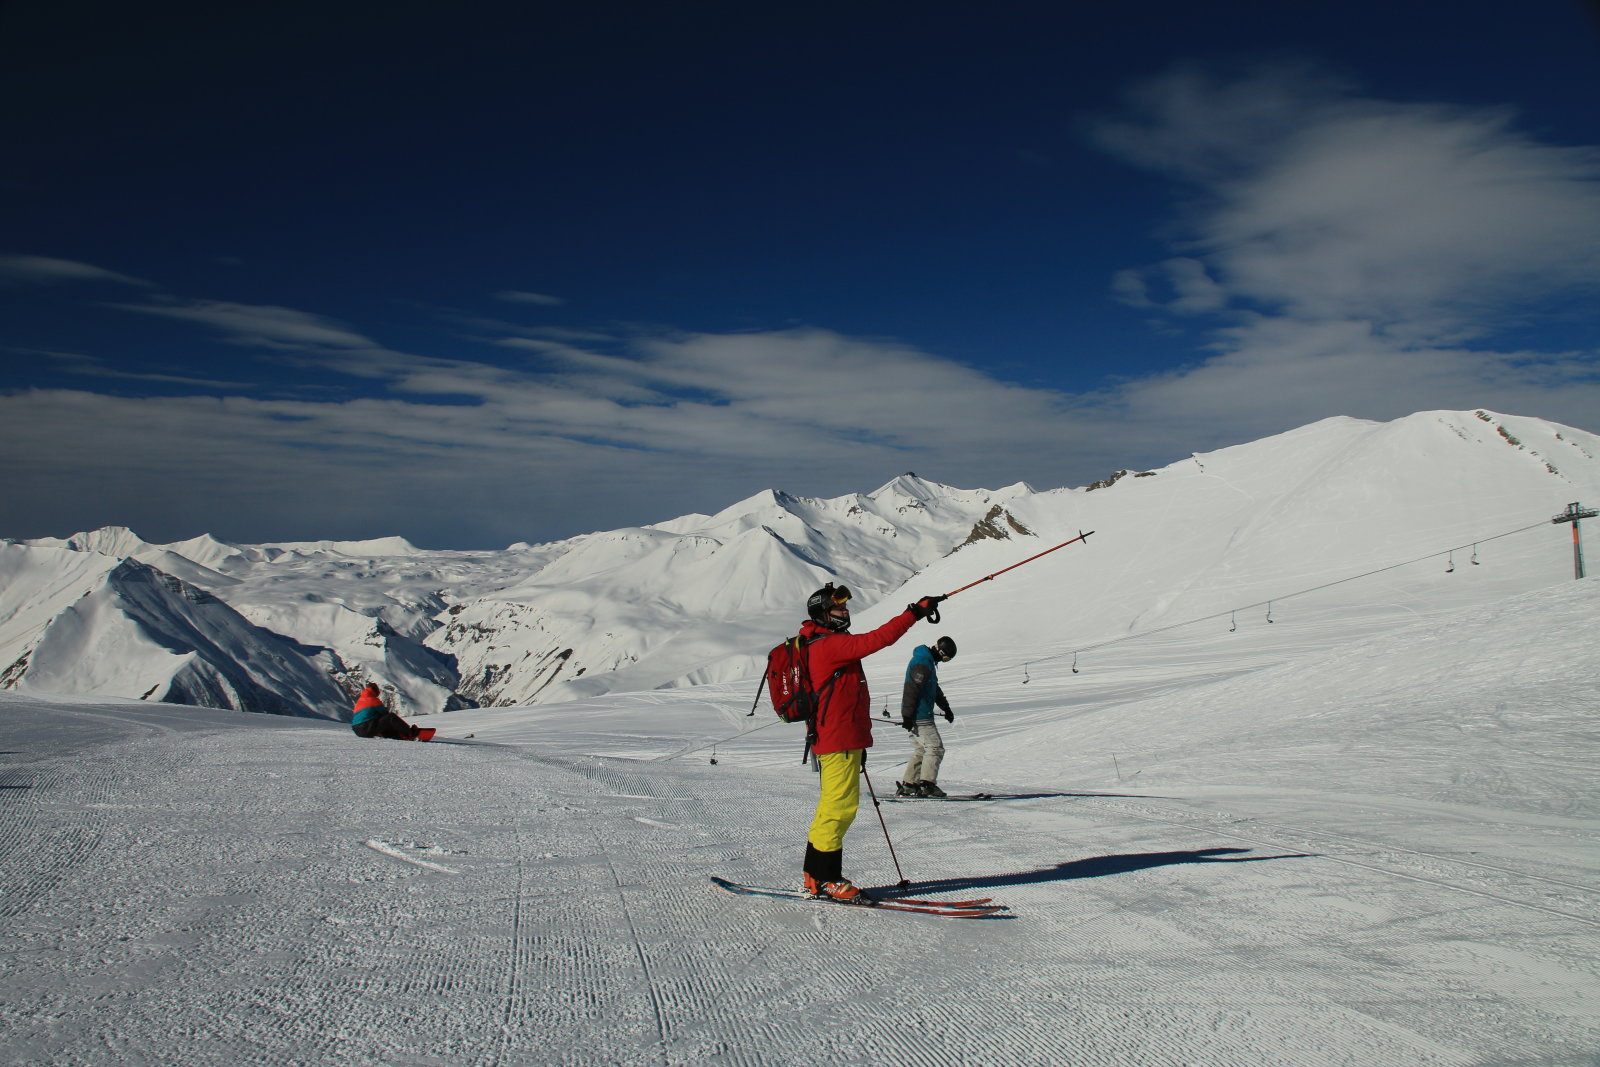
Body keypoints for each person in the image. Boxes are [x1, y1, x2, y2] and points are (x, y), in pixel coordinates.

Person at [798, 582, 945, 902]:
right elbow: (880, 638)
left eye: (845, 607)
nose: (846, 611)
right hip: (838, 740)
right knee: (840, 808)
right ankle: (827, 879)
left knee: (830, 808)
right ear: (824, 614)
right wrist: (914, 613)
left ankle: (814, 876)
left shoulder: (824, 643)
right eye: (839, 608)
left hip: (842, 739)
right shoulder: (828, 645)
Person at [897, 636, 957, 797]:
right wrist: (908, 715)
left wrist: (946, 708)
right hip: (920, 715)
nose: (944, 661)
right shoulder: (922, 663)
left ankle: (910, 784)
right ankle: (927, 785)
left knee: (921, 749)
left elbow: (934, 689)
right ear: (940, 652)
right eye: (945, 658)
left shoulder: (927, 662)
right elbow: (912, 689)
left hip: (918, 714)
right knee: (935, 748)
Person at [350, 682, 421, 740]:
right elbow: (384, 713)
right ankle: (410, 732)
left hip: (357, 730)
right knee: (390, 717)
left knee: (381, 722)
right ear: (375, 691)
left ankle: (396, 736)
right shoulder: (373, 700)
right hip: (366, 728)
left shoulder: (360, 700)